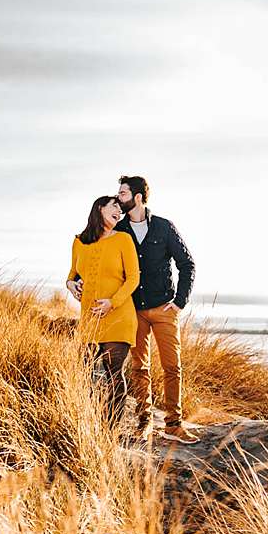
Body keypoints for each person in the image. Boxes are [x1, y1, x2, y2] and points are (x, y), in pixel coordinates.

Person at [113, 176, 197, 441]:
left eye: (123, 194)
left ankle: (173, 424)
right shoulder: (118, 230)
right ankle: (144, 421)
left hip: (164, 309)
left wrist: (180, 301)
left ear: (138, 197)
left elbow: (187, 264)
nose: (118, 198)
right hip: (133, 310)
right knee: (139, 368)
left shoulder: (163, 227)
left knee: (173, 368)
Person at [65, 196, 141, 424]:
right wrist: (71, 285)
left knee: (114, 373)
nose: (119, 211)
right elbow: (72, 275)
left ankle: (110, 428)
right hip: (89, 319)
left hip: (118, 316)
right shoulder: (79, 241)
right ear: (100, 208)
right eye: (114, 206)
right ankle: (87, 422)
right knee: (82, 372)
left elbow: (134, 278)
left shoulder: (124, 239)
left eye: (120, 207)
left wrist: (112, 302)